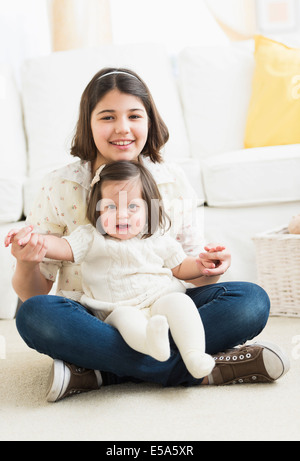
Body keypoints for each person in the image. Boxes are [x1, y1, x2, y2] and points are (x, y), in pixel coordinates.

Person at [7, 68, 289, 402]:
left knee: (251, 301)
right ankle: (201, 369)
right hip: (95, 317)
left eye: (134, 116)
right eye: (108, 116)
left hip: (162, 308)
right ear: (89, 123)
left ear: (150, 121)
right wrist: (27, 261)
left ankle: (102, 371)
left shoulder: (170, 180)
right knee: (34, 315)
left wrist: (209, 267)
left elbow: (190, 270)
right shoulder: (60, 185)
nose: (122, 128)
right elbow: (34, 290)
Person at [7, 161, 218, 379]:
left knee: (183, 302)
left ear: (149, 209)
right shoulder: (90, 237)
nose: (122, 215)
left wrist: (203, 265)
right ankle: (153, 348)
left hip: (160, 299)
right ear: (96, 210)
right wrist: (32, 239)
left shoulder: (157, 238)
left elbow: (181, 266)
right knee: (128, 321)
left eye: (133, 207)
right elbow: (59, 246)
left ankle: (193, 355)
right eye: (110, 207)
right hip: (115, 309)